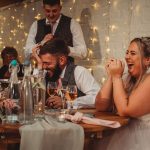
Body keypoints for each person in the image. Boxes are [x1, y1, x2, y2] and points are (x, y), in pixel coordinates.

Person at [95, 37, 150, 150]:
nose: (127, 57)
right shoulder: (127, 79)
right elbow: (101, 106)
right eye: (127, 52)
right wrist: (111, 76)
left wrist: (116, 76)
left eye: (133, 53)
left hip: (142, 139)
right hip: (123, 134)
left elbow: (125, 110)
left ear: (147, 60)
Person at [32, 38, 100, 109]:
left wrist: (68, 103)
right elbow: (33, 96)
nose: (44, 67)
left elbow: (97, 98)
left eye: (47, 63)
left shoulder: (79, 72)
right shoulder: (45, 72)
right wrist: (39, 65)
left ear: (62, 60)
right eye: (42, 63)